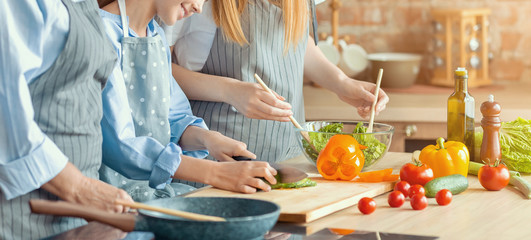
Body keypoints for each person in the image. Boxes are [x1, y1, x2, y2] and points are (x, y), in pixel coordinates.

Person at [168, 0, 389, 187]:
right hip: (216, 169)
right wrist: (229, 90)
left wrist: (342, 83)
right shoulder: (194, 3)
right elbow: (158, 69)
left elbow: (297, 42)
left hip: (290, 164)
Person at [96, 0, 278, 201]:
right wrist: (216, 173)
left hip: (149, 195)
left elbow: (172, 118)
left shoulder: (156, 35)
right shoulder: (100, 35)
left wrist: (208, 139)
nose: (199, 8)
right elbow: (119, 145)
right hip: (110, 201)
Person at [0, 0, 134, 239]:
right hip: (24, 210)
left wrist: (85, 188)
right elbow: (5, 108)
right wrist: (79, 187)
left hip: (76, 212)